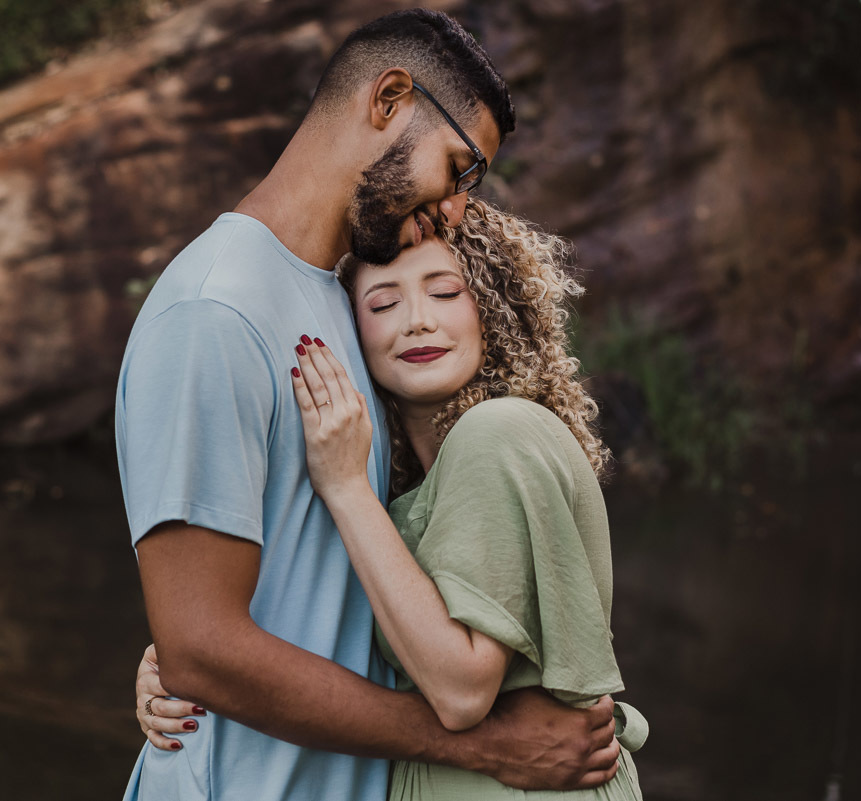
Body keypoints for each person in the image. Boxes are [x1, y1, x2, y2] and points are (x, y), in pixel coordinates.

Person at [116, 9, 618, 801]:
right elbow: (202, 647)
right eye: (459, 167)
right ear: (388, 100)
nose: (458, 207)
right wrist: (481, 745)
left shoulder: (342, 297)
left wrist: (180, 648)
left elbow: (320, 568)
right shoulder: (214, 311)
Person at [137, 198, 648, 800]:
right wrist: (194, 662)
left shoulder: (496, 433)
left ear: (495, 308)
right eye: (383, 303)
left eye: (446, 292)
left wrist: (347, 488)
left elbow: (461, 692)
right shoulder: (408, 487)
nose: (417, 321)